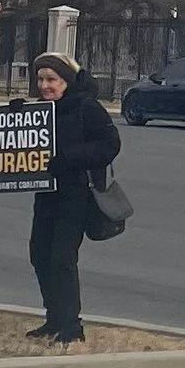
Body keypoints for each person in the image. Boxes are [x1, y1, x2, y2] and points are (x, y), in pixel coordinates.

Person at [26, 49, 121, 350]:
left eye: (51, 79)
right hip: (46, 194)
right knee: (39, 254)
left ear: (66, 80)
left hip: (77, 195)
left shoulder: (86, 108)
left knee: (62, 259)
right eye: (40, 79)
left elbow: (109, 145)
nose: (44, 86)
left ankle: (71, 325)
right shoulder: (40, 110)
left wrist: (68, 157)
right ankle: (53, 319)